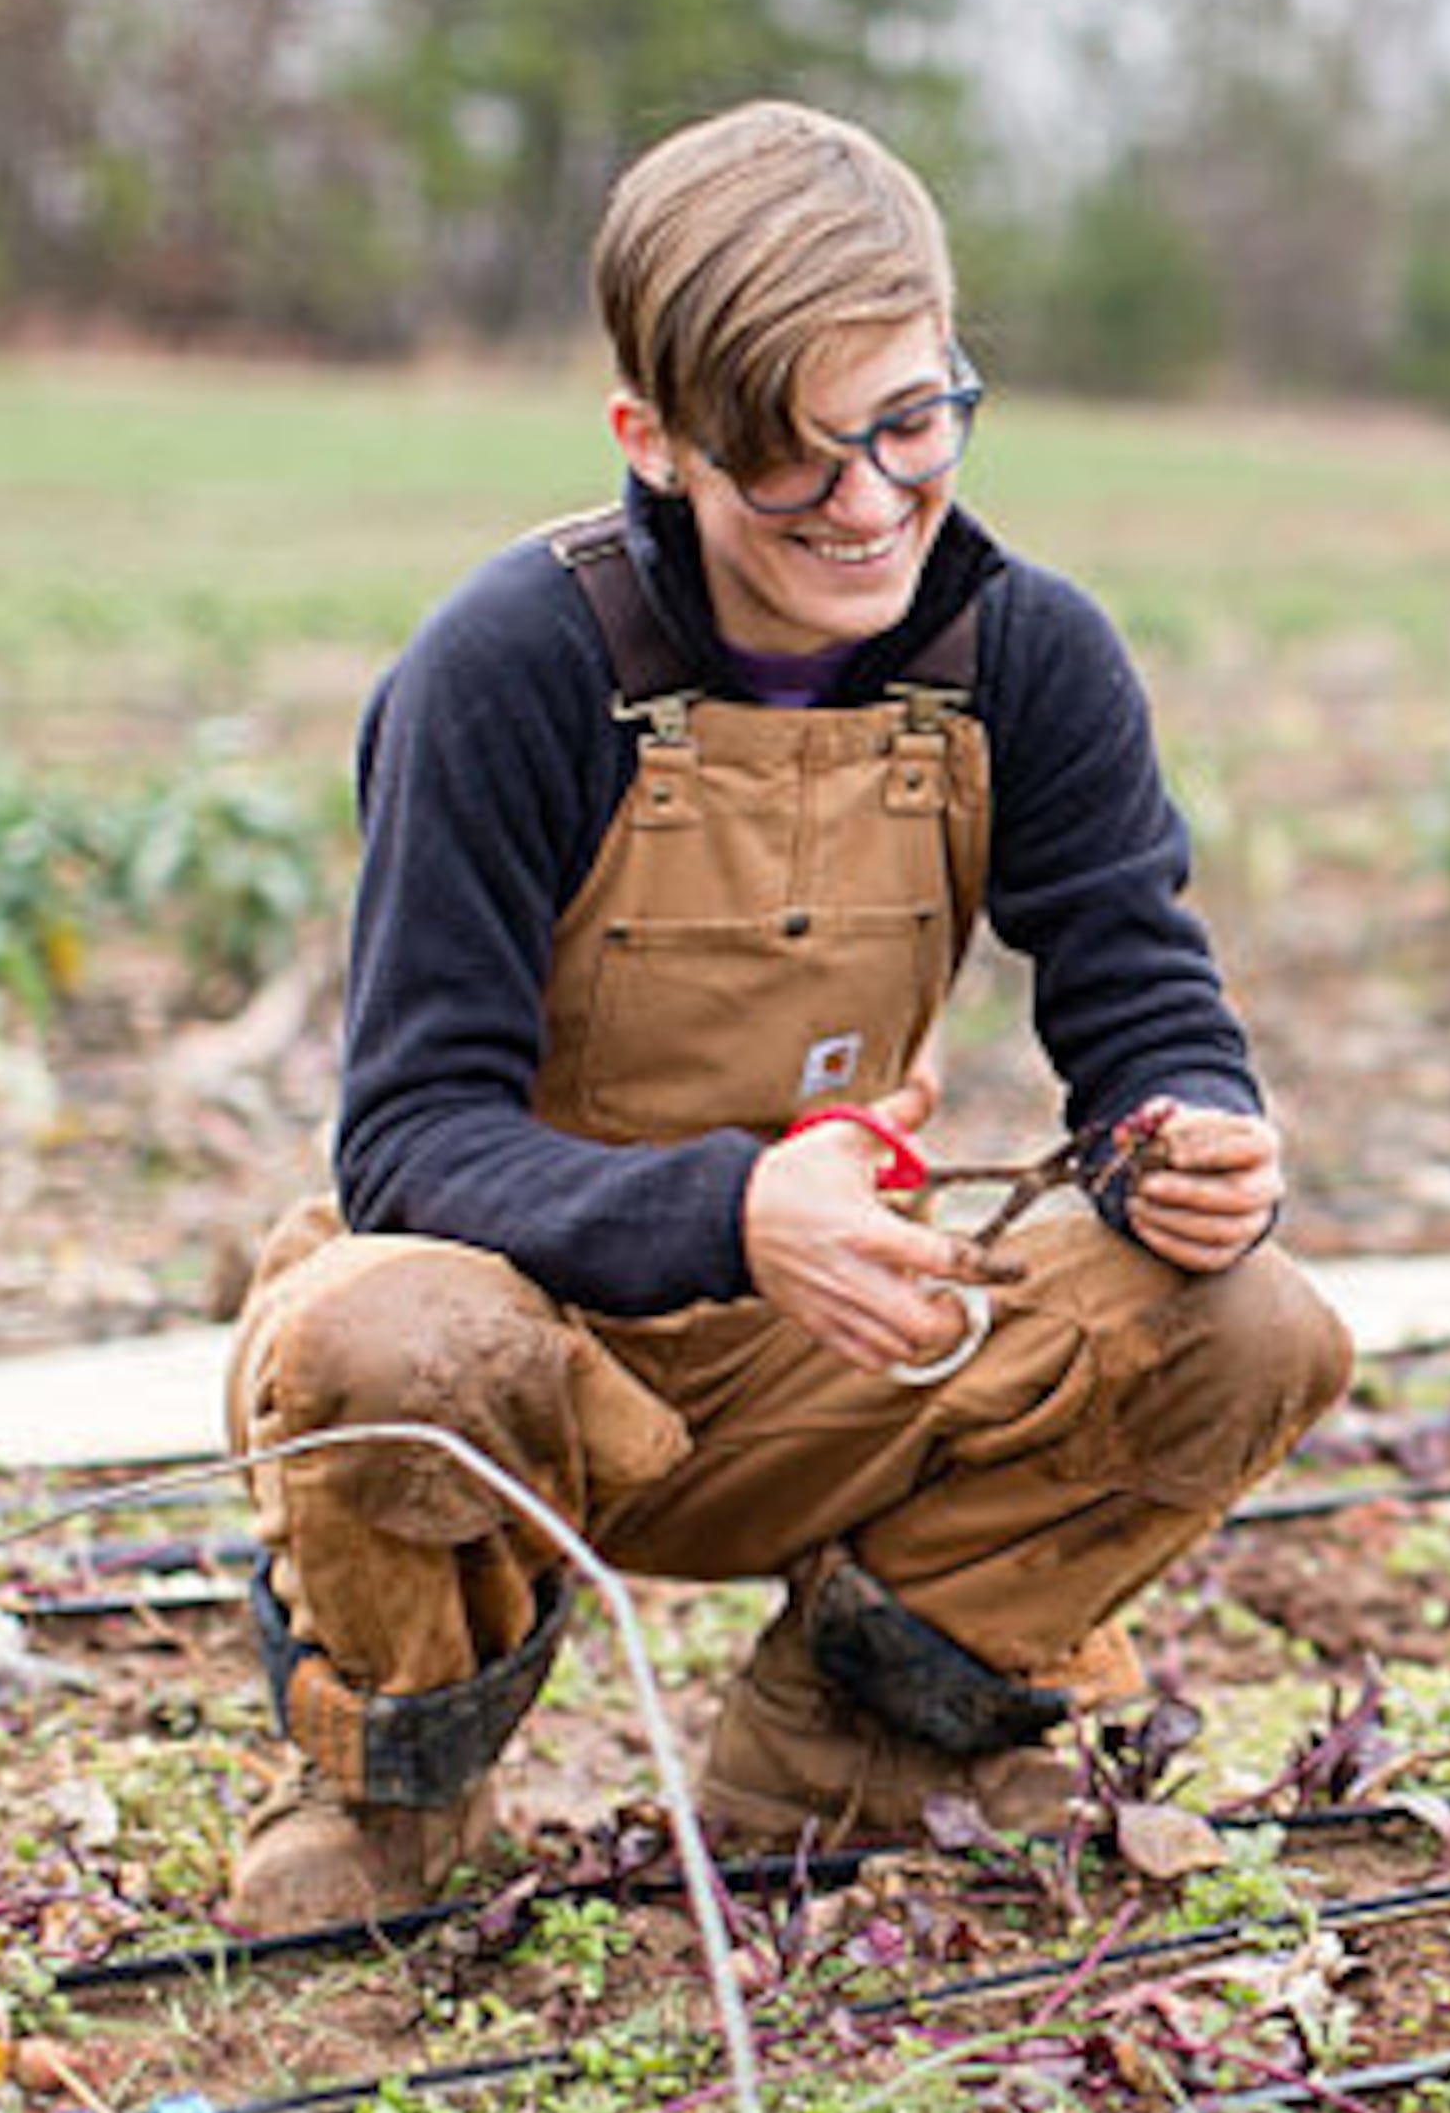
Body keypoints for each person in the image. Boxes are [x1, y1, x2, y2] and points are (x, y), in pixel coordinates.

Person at [220, 97, 1354, 1935]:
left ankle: (851, 1738)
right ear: (653, 441)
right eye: (790, 458)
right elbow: (409, 1138)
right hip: (532, 1338)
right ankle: (392, 1791)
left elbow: (1137, 988)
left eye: (912, 426)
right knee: (383, 1339)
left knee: (1247, 1327)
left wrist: (1188, 1129)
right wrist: (737, 1210)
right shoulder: (511, 667)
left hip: (827, 1336)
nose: (869, 502)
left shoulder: (1027, 656)